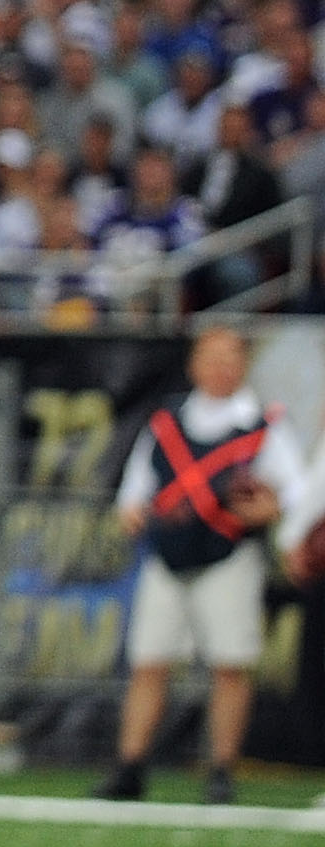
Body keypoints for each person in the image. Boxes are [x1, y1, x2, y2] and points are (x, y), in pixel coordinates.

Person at [95, 327, 305, 806]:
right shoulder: (169, 421)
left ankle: (220, 770)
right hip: (168, 557)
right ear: (194, 364)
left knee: (230, 665)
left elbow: (294, 492)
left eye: (230, 357)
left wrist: (266, 510)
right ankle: (130, 766)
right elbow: (136, 487)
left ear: (244, 364)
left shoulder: (263, 426)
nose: (220, 368)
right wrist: (132, 511)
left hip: (227, 556)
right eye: (211, 357)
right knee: (149, 662)